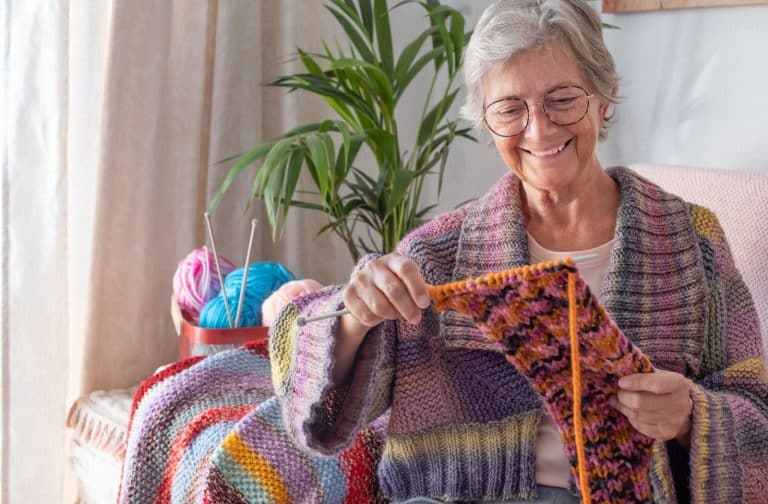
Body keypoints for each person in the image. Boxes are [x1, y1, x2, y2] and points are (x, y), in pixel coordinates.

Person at [269, 1, 768, 502]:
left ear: (604, 94)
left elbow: (756, 410)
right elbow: (323, 408)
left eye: (562, 99)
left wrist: (689, 418)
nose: (539, 129)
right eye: (510, 109)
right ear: (486, 123)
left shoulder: (691, 239)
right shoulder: (436, 255)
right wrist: (355, 318)